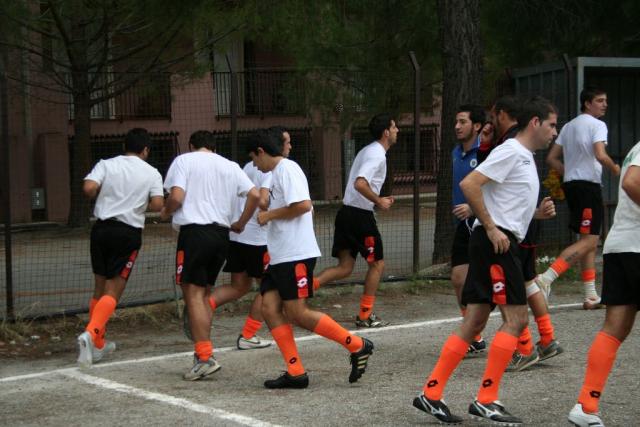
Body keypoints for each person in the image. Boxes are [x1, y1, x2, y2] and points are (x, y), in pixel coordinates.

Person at [413, 97, 558, 425]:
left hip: (498, 240)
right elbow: (470, 184)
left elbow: (503, 202)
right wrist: (491, 228)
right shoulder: (512, 151)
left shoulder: (524, 157)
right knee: (516, 319)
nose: (554, 132)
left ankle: (431, 393)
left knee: (475, 320)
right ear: (535, 122)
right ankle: (486, 399)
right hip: (497, 244)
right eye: (552, 125)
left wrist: (536, 213)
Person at [250, 130, 374, 389]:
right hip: (280, 255)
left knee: (298, 313)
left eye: (253, 158)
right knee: (269, 308)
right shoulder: (275, 174)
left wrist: (269, 215)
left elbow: (303, 205)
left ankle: (357, 345)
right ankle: (296, 372)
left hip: (295, 255)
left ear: (261, 152)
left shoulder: (287, 169)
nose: (254, 164)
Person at [161, 130, 260, 380]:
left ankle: (205, 356)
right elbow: (255, 194)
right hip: (221, 234)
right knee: (203, 294)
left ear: (191, 145)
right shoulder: (230, 165)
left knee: (193, 295)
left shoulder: (184, 160)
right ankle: (202, 355)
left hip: (194, 233)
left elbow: (176, 196)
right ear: (214, 147)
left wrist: (165, 211)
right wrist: (241, 222)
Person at [484, 96, 565, 372]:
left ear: (502, 114)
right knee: (522, 283)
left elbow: (480, 183)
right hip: (515, 226)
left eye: (493, 115)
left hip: (509, 230)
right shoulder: (516, 146)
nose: (554, 132)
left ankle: (527, 347)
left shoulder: (512, 144)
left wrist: (487, 222)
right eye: (552, 126)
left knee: (513, 289)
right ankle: (544, 339)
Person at [77, 128, 164, 367]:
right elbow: (158, 204)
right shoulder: (152, 172)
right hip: (127, 232)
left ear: (124, 146)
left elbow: (88, 188)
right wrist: (141, 202)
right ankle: (90, 333)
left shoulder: (106, 164)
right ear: (145, 150)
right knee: (113, 290)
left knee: (99, 288)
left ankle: (98, 345)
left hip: (101, 229)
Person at [567, 140, 640, 427]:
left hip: (621, 245)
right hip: (636, 247)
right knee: (614, 328)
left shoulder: (635, 148)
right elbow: (631, 182)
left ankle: (586, 405)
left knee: (615, 328)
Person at [538, 87, 621, 309]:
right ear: (587, 103)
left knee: (587, 240)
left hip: (572, 186)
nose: (604, 104)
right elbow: (600, 154)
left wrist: (570, 173)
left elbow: (551, 158)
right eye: (600, 100)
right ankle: (546, 278)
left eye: (605, 100)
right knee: (590, 241)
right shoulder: (598, 125)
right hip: (588, 188)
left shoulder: (568, 126)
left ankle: (590, 295)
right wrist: (616, 169)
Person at [314, 113, 399, 327]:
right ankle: (365, 315)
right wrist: (378, 200)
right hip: (360, 216)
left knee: (344, 267)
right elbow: (360, 183)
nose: (397, 130)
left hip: (346, 213)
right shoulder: (377, 154)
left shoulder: (367, 150)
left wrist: (378, 199)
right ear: (386, 132)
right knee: (377, 264)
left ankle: (299, 291)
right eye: (394, 127)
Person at [450, 104, 488, 355]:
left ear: (476, 126)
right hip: (462, 226)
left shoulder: (485, 153)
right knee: (458, 278)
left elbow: (494, 188)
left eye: (462, 122)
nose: (457, 126)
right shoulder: (456, 152)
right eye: (456, 121)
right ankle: (474, 336)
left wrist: (473, 208)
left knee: (495, 282)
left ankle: (524, 342)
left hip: (483, 223)